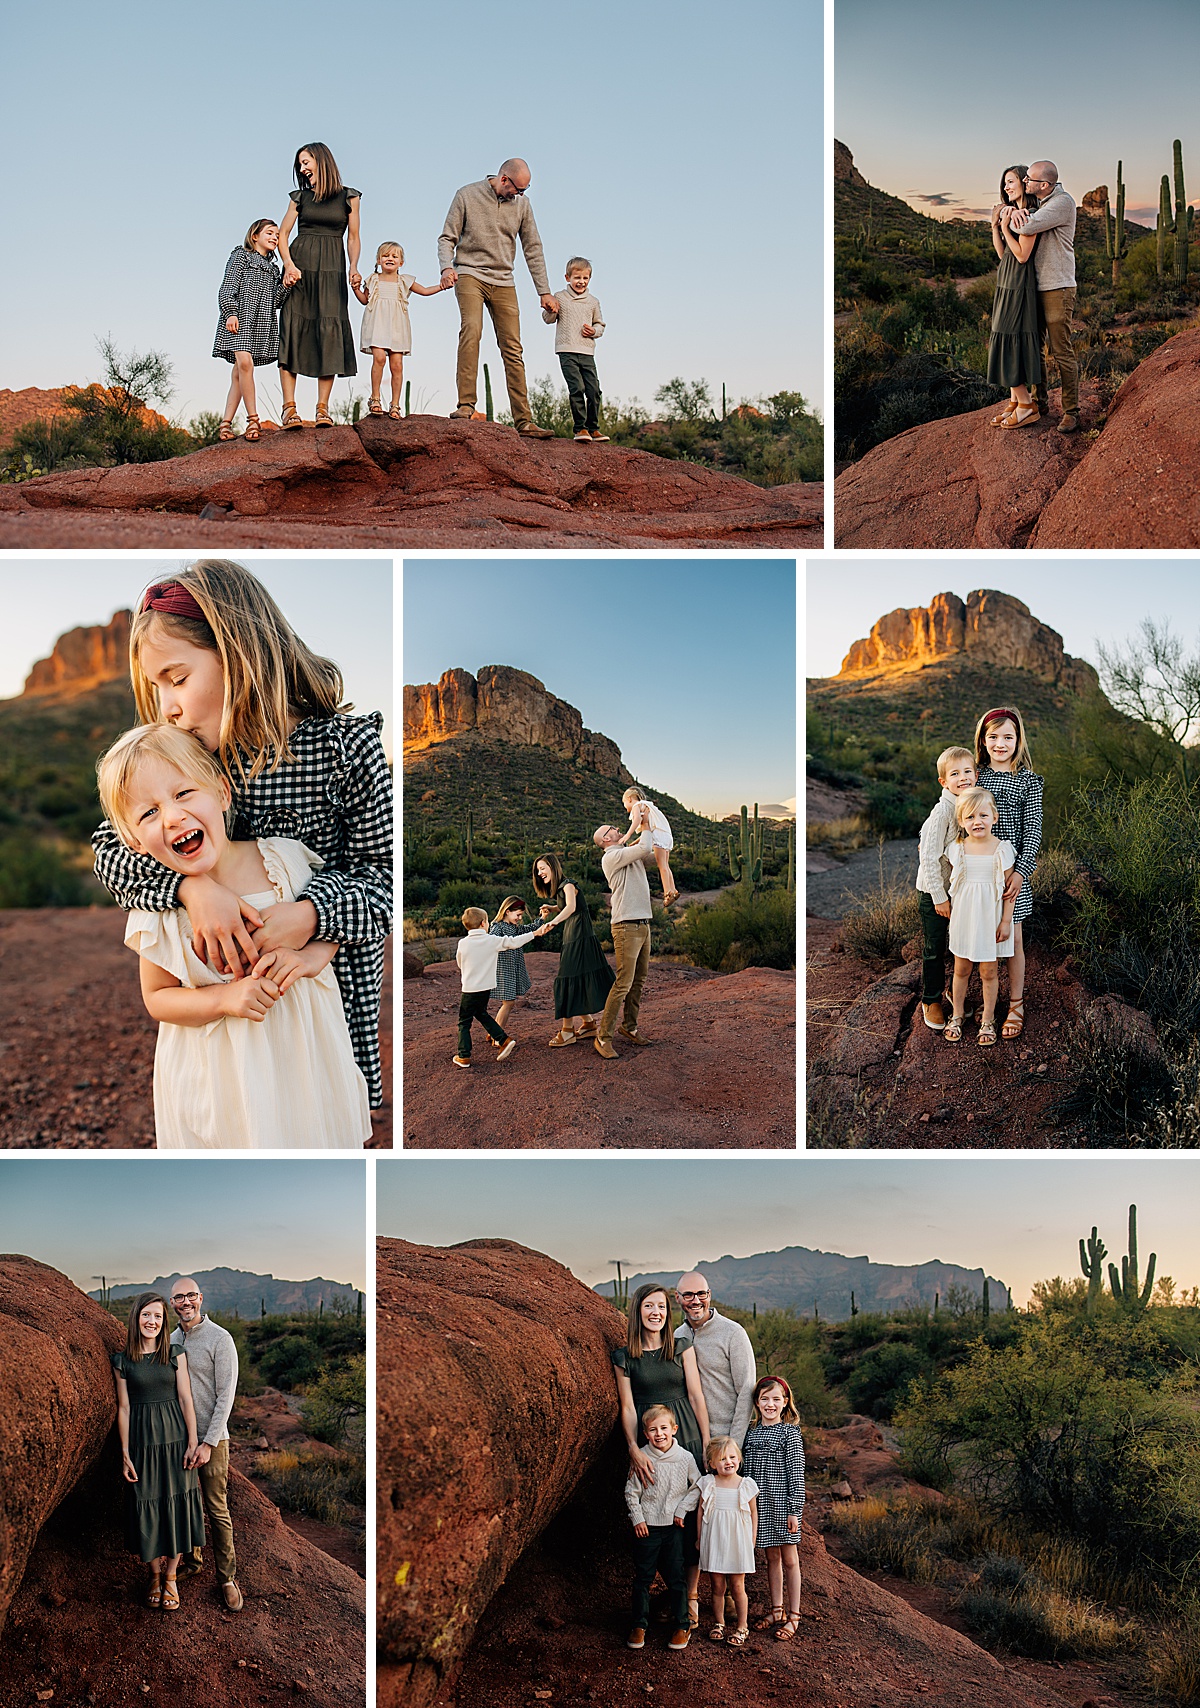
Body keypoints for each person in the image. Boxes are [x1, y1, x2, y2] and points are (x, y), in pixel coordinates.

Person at [90, 562, 392, 1113]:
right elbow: (109, 847)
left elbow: (383, 881)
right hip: (226, 1015)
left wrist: (310, 916)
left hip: (326, 999)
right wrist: (191, 890)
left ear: (238, 651)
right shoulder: (190, 752)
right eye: (158, 689)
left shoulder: (348, 749)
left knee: (322, 1117)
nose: (169, 707)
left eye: (177, 679)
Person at [96, 723, 370, 1145]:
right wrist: (225, 998)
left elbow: (333, 915)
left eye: (184, 793)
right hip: (219, 1074)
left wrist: (312, 954)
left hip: (304, 1055)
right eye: (148, 813)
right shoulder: (159, 907)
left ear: (222, 793)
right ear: (132, 840)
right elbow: (157, 997)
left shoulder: (284, 858)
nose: (172, 816)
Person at [613, 1283, 711, 1631]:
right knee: (656, 1508)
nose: (656, 1313)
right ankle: (661, 1596)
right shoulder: (625, 1357)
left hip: (685, 1430)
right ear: (637, 1311)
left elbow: (696, 1395)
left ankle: (692, 1598)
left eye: (662, 1307)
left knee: (688, 1514)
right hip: (649, 1435)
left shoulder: (682, 1347)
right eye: (649, 1306)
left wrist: (707, 1439)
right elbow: (626, 1406)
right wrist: (631, 1448)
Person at [437, 159, 557, 437]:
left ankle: (524, 421)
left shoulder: (523, 206)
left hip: (504, 280)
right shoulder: (466, 195)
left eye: (525, 190)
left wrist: (544, 291)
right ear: (504, 179)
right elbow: (446, 238)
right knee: (472, 331)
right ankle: (466, 405)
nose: (520, 195)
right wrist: (446, 266)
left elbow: (533, 248)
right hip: (469, 274)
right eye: (518, 189)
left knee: (513, 348)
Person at [111, 1291, 206, 1611]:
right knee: (146, 1504)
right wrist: (124, 1451)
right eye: (146, 1315)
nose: (152, 1321)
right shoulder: (122, 1361)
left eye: (158, 1316)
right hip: (141, 1442)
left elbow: (186, 1400)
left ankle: (171, 1577)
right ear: (136, 1318)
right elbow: (123, 1408)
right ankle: (153, 1575)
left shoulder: (175, 1353)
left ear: (164, 1322)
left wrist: (193, 1441)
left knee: (176, 1506)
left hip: (176, 1440)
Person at [673, 1270, 757, 1619]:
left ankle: (737, 1598)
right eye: (687, 1295)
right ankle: (693, 1595)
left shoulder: (732, 1333)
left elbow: (747, 1390)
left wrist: (731, 1448)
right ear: (677, 1299)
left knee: (733, 1513)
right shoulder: (676, 1336)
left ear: (710, 1294)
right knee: (696, 1513)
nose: (695, 1300)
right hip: (692, 1438)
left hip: (727, 1441)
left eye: (701, 1293)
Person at [169, 1278, 243, 1611]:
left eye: (190, 1296)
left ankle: (226, 1578)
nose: (185, 1302)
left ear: (201, 1298)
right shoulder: (169, 1341)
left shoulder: (220, 1339)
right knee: (188, 1505)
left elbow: (226, 1395)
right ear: (172, 1303)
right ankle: (194, 1561)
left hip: (213, 1441)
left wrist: (209, 1442)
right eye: (178, 1297)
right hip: (180, 1439)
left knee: (216, 1508)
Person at [277, 143, 361, 429]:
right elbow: (283, 234)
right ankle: (289, 409)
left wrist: (353, 267)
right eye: (299, 165)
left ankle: (322, 410)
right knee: (292, 328)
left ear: (321, 160)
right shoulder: (299, 197)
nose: (302, 169)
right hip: (300, 268)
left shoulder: (349, 197)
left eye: (306, 162)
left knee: (329, 331)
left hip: (332, 269)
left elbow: (353, 237)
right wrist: (288, 264)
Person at [974, 705, 1043, 1040]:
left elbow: (1033, 831)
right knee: (980, 938)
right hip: (976, 873)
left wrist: (1020, 872)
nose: (1000, 743)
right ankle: (988, 999)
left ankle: (1016, 1003)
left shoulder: (1028, 782)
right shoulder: (974, 776)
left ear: (1018, 740)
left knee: (1012, 939)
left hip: (1011, 874)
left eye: (1007, 737)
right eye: (993, 736)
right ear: (983, 741)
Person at [1008, 162, 1079, 433]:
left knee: (1061, 351)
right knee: (1034, 348)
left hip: (1057, 287)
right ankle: (1040, 402)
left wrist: (1010, 217)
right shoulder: (1041, 204)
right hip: (1035, 287)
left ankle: (1071, 411)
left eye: (1030, 179)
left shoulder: (1062, 203)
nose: (1025, 181)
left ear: (1045, 185)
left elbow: (1028, 228)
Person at [943, 788, 1017, 1047]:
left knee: (988, 971)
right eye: (970, 817)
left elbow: (1009, 891)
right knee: (961, 968)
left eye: (984, 815)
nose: (978, 821)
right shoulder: (956, 848)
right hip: (964, 917)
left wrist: (1006, 921)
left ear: (994, 817)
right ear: (961, 821)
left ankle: (988, 1019)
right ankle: (957, 1014)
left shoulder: (1002, 849)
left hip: (990, 918)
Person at [623, 1405, 700, 1653]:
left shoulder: (685, 1458)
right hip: (647, 1527)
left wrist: (681, 1510)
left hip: (674, 1528)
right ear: (646, 1434)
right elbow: (631, 1493)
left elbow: (698, 1486)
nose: (659, 1434)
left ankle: (682, 1624)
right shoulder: (642, 1458)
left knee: (677, 1576)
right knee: (643, 1577)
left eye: (664, 1428)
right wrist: (638, 1519)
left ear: (674, 1429)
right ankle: (638, 1624)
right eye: (653, 1430)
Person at [915, 745, 978, 1031]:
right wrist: (939, 897)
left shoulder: (971, 806)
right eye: (955, 773)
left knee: (960, 945)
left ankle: (955, 991)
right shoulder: (942, 812)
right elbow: (927, 857)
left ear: (976, 774)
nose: (962, 777)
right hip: (935, 894)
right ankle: (931, 999)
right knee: (935, 947)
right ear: (944, 782)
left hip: (960, 893)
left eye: (967, 771)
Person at [212, 219, 291, 442]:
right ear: (254, 236)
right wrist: (230, 312)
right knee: (245, 364)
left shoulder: (274, 269)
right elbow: (227, 287)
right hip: (239, 318)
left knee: (239, 373)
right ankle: (253, 420)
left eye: (277, 234)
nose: (275, 237)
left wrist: (285, 285)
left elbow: (275, 301)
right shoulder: (241, 256)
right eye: (270, 233)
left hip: (260, 323)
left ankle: (225, 425)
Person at [352, 241, 448, 420]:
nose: (390, 258)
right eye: (386, 256)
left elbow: (425, 291)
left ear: (401, 262)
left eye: (394, 256)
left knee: (396, 366)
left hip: (397, 327)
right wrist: (356, 289)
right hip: (377, 325)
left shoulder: (404, 281)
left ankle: (395, 404)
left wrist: (441, 286)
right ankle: (375, 399)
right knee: (379, 359)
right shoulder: (372, 279)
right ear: (379, 260)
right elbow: (365, 300)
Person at [742, 1376, 805, 1644]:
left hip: (782, 1506)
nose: (770, 1404)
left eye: (776, 1399)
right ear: (756, 1403)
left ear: (785, 1402)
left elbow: (797, 1475)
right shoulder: (750, 1433)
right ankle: (776, 1610)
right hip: (760, 1507)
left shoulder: (789, 1433)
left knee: (790, 1560)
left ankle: (794, 1615)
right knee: (771, 1560)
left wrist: (795, 1511)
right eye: (764, 1399)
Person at [533, 852, 615, 1048]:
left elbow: (570, 907)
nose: (540, 873)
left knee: (567, 978)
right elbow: (567, 906)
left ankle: (568, 1031)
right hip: (574, 935)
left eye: (543, 868)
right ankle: (588, 1024)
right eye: (538, 870)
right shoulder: (561, 888)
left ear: (553, 867)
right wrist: (553, 908)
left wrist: (552, 922)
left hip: (579, 936)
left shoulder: (568, 884)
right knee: (574, 977)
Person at [453, 905, 550, 1066]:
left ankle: (464, 1056)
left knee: (464, 1022)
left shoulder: (463, 943)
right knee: (481, 1014)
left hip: (470, 989)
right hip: (486, 989)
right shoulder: (491, 940)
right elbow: (513, 942)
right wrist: (535, 933)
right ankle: (503, 1040)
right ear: (484, 924)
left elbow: (460, 963)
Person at [986, 166, 1045, 430]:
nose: (1006, 188)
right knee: (1007, 335)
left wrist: (1009, 229)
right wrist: (996, 225)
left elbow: (1022, 255)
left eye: (1010, 182)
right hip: (1006, 279)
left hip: (1020, 283)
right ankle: (1014, 400)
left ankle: (1026, 405)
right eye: (1004, 184)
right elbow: (1003, 254)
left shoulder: (1030, 215)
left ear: (1024, 182)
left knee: (1010, 336)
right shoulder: (1013, 213)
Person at [592, 821, 656, 1058]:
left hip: (642, 924)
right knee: (623, 983)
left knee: (638, 980)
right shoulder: (611, 856)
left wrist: (651, 832)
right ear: (606, 840)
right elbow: (644, 848)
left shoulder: (627, 854)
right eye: (613, 830)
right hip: (626, 927)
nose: (619, 830)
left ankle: (629, 1027)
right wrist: (645, 823)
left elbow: (650, 852)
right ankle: (603, 1037)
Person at [696, 1437, 758, 1647]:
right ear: (712, 1463)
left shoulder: (746, 1484)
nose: (728, 1462)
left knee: (738, 1585)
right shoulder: (708, 1483)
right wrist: (700, 1539)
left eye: (732, 1457)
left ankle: (742, 1626)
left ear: (739, 1459)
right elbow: (701, 1512)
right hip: (715, 1539)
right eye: (722, 1458)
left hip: (738, 1541)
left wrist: (752, 1539)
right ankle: (719, 1623)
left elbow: (753, 1513)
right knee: (717, 1586)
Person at [542, 256, 608, 442]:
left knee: (594, 390)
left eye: (585, 278)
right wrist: (550, 310)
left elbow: (600, 325)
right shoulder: (560, 297)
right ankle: (580, 429)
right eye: (577, 278)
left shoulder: (593, 302)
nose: (581, 282)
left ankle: (593, 428)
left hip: (587, 351)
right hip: (566, 350)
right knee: (577, 388)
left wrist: (594, 331)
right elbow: (548, 319)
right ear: (567, 277)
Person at [487, 896, 539, 1038]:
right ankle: (498, 1036)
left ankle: (494, 1032)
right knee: (508, 1003)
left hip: (512, 969)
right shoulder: (497, 927)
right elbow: (491, 943)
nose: (520, 918)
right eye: (518, 915)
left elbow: (528, 929)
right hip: (503, 970)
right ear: (507, 911)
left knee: (508, 1002)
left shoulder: (513, 927)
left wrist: (542, 920)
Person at [619, 788, 677, 904]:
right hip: (666, 836)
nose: (625, 807)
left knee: (662, 866)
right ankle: (674, 890)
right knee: (666, 865)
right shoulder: (647, 807)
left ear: (629, 799)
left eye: (624, 803)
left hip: (659, 837)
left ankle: (668, 893)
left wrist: (627, 835)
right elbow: (649, 830)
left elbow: (637, 820)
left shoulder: (637, 806)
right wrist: (634, 843)